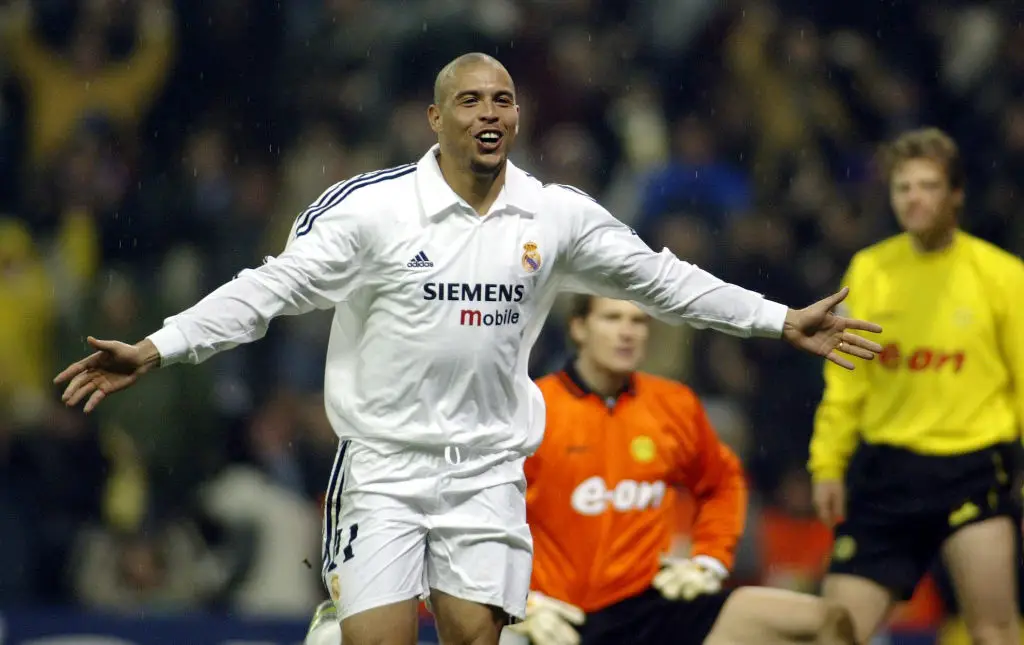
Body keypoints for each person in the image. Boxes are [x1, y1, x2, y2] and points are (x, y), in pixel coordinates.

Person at [55, 52, 883, 645]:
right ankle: (341, 615)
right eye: (472, 100)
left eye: (505, 99)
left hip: (486, 470)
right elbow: (268, 290)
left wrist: (779, 319)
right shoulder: (373, 211)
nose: (491, 113)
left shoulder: (552, 214)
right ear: (436, 117)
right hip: (383, 462)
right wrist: (159, 347)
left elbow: (664, 279)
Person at [501, 295, 856, 645]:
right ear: (578, 328)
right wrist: (517, 601)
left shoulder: (673, 404)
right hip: (557, 618)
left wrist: (710, 560)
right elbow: (485, 515)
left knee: (826, 622)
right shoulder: (533, 411)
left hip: (653, 605)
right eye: (612, 318)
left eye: (638, 321)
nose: (628, 332)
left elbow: (723, 482)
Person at [808, 127, 1024, 645]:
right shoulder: (870, 269)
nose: (914, 198)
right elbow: (845, 379)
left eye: (928, 185)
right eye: (903, 187)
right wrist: (827, 464)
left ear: (956, 194)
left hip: (974, 467)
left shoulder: (1001, 275)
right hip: (889, 473)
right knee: (834, 633)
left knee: (993, 631)